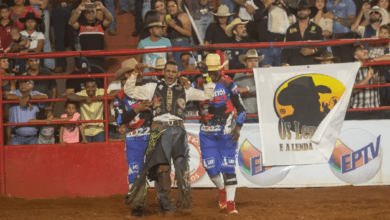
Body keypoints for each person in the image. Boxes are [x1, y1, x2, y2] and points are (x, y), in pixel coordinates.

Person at [123, 61, 215, 215]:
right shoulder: (153, 87)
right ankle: (168, 205)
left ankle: (183, 203)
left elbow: (208, 94)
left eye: (174, 71)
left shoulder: (185, 89)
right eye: (168, 71)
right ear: (163, 72)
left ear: (178, 74)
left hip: (178, 128)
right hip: (159, 128)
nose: (171, 74)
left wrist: (205, 75)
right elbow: (129, 90)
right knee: (162, 169)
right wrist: (134, 73)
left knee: (181, 168)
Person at [192, 54, 246, 214]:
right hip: (207, 133)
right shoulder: (198, 83)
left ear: (220, 70)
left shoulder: (228, 83)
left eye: (215, 70)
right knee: (210, 168)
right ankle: (222, 189)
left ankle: (231, 205)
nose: (212, 73)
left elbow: (241, 108)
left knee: (228, 167)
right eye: (209, 70)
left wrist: (238, 128)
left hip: (227, 132)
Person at [113, 59, 156, 217]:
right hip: (133, 138)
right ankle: (137, 207)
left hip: (152, 136)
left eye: (132, 75)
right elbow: (119, 120)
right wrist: (137, 109)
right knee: (135, 171)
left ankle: (164, 202)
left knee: (160, 170)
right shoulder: (119, 97)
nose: (129, 79)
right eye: (125, 77)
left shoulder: (148, 89)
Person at [69, 1, 113, 70]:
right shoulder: (81, 26)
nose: (91, 14)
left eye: (93, 12)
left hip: (99, 58)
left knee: (100, 79)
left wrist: (102, 8)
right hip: (85, 59)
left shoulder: (101, 25)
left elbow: (110, 19)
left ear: (96, 14)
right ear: (85, 15)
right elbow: (71, 22)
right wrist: (79, 10)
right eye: (88, 12)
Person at [66, 78, 115, 142]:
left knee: (100, 150)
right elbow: (69, 96)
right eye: (88, 87)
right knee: (86, 151)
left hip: (99, 130)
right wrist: (85, 98)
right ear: (85, 88)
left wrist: (104, 96)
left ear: (96, 87)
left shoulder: (100, 92)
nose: (91, 89)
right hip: (85, 131)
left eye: (93, 87)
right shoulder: (83, 94)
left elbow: (117, 92)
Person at [345, 44, 386, 120]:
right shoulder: (352, 69)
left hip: (374, 108)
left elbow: (380, 85)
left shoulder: (374, 66)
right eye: (360, 50)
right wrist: (368, 78)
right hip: (358, 110)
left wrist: (374, 80)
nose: (364, 50)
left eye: (364, 48)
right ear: (356, 56)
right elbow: (354, 89)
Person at [281, 0, 324, 66]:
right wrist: (284, 63)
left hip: (312, 63)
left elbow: (323, 47)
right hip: (294, 64)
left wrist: (312, 51)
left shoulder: (317, 29)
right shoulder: (290, 29)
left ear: (309, 11)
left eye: (304, 10)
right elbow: (286, 49)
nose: (301, 12)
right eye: (299, 10)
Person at [5, 79, 48, 145]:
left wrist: (29, 97)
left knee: (34, 155)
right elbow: (8, 97)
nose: (23, 84)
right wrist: (25, 98)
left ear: (32, 85)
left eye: (26, 82)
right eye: (21, 82)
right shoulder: (13, 93)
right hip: (16, 137)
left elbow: (45, 97)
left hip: (33, 138)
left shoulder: (35, 94)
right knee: (15, 155)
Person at [234, 49, 263, 123]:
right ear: (245, 63)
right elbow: (233, 91)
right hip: (246, 116)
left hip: (261, 115)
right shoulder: (238, 76)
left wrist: (247, 88)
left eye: (255, 61)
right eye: (250, 61)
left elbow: (263, 87)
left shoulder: (262, 74)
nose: (253, 63)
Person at [52, 0, 78, 73]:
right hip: (57, 7)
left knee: (74, 38)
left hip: (73, 7)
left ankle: (79, 63)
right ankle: (60, 64)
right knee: (59, 37)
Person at [166, 0, 192, 71]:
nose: (171, 8)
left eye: (173, 6)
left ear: (177, 6)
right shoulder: (168, 18)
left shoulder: (183, 16)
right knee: (174, 68)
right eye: (169, 7)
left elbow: (189, 33)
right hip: (171, 45)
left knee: (185, 68)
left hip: (182, 44)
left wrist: (174, 26)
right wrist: (165, 26)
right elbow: (165, 35)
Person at [29, 0, 54, 70]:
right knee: (30, 38)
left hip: (42, 11)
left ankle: (49, 66)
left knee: (45, 38)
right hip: (28, 11)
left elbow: (46, 2)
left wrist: (41, 8)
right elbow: (26, 1)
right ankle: (30, 65)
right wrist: (40, 2)